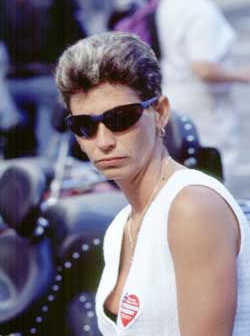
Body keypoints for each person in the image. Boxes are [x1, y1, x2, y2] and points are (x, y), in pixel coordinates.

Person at [55, 31, 250, 336]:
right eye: (85, 126)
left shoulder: (191, 207)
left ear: (159, 113)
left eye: (121, 118)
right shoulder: (121, 226)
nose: (103, 141)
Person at [156, 0, 250, 183]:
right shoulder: (199, 11)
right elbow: (204, 68)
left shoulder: (171, 3)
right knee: (211, 173)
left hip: (178, 94)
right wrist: (243, 75)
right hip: (204, 105)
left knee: (185, 173)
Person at [0, 0, 86, 156]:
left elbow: (77, 41)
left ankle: (49, 161)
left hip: (48, 80)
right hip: (9, 83)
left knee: (57, 97)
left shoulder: (59, 3)